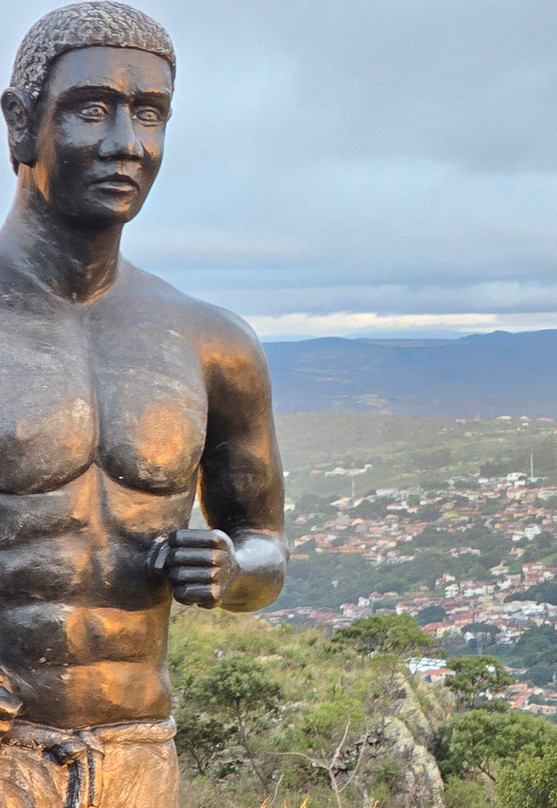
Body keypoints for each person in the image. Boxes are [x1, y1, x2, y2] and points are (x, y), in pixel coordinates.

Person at [0, 3, 288, 806]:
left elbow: (266, 546)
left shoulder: (211, 343)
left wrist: (232, 570)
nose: (126, 141)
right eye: (92, 109)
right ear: (21, 125)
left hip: (138, 749)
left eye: (150, 114)